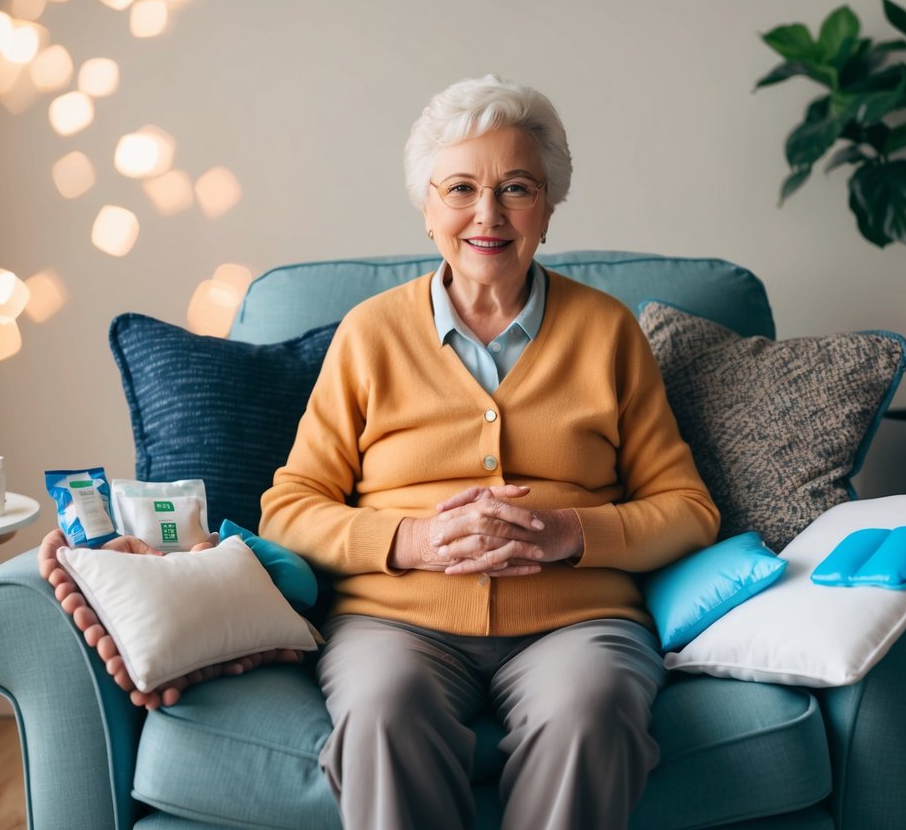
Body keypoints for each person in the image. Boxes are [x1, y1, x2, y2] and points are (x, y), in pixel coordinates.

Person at [257, 74, 720, 830]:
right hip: (394, 624)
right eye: (461, 188)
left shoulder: (607, 332)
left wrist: (573, 533)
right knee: (382, 709)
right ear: (427, 206)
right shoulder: (369, 334)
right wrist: (411, 540)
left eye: (515, 188)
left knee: (590, 708)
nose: (487, 214)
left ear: (549, 204)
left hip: (576, 622)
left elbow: (689, 510)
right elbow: (287, 508)